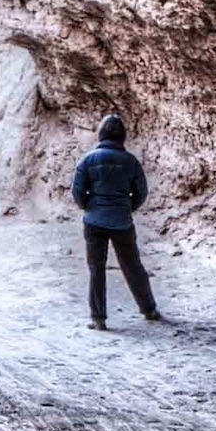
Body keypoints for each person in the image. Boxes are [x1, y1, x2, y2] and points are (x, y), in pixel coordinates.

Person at [71, 113, 163, 327]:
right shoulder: (130, 162)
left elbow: (77, 192)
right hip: (122, 221)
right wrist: (127, 208)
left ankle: (98, 318)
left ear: (100, 134)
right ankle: (149, 310)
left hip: (94, 222)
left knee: (96, 269)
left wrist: (89, 207)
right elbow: (141, 192)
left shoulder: (87, 160)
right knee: (132, 266)